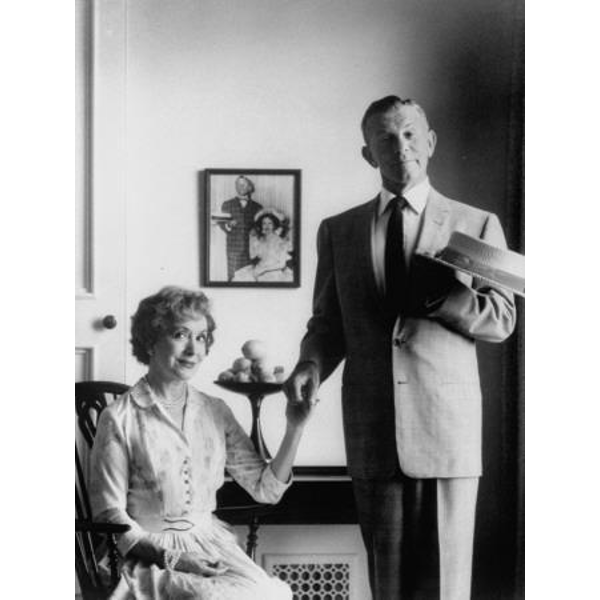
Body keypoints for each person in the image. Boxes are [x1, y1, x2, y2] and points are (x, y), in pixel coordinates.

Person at [283, 96, 517, 600]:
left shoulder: (476, 223)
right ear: (368, 154)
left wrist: (446, 298)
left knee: (445, 587)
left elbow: (502, 319)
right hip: (373, 434)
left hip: (447, 435)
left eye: (410, 134)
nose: (400, 146)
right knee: (387, 588)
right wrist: (310, 363)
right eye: (385, 138)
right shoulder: (338, 230)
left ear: (430, 142)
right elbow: (328, 323)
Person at [90, 286, 315, 599]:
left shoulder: (215, 411)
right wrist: (174, 559)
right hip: (146, 556)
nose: (193, 349)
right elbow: (109, 514)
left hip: (211, 546)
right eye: (181, 334)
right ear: (150, 341)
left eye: (201, 337)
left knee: (272, 595)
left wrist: (295, 428)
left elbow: (266, 490)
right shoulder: (119, 417)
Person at [219, 176, 263, 280]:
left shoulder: (258, 207)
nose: (240, 187)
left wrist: (256, 230)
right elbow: (221, 223)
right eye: (238, 185)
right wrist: (228, 225)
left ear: (249, 187)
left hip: (252, 249)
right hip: (233, 248)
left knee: (251, 277)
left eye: (243, 185)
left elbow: (261, 226)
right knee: (233, 277)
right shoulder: (227, 204)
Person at [232, 208, 294, 282]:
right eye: (264, 223)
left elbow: (282, 264)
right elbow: (252, 256)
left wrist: (263, 270)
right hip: (259, 268)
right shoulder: (260, 240)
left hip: (274, 270)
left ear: (274, 225)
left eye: (270, 223)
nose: (266, 226)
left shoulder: (280, 241)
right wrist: (251, 239)